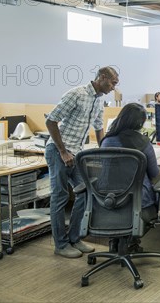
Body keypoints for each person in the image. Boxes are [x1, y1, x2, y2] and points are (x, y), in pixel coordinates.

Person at [45, 66, 119, 258]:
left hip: (76, 154)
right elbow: (51, 121)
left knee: (85, 193)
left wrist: (105, 152)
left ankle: (74, 239)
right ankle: (60, 245)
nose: (113, 87)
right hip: (58, 151)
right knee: (60, 197)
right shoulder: (76, 94)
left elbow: (99, 128)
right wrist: (63, 152)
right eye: (113, 82)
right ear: (102, 78)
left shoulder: (98, 101)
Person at [100, 103, 160, 223]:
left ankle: (117, 239)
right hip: (139, 204)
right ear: (140, 123)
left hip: (109, 201)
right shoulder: (143, 142)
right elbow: (154, 173)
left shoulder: (106, 141)